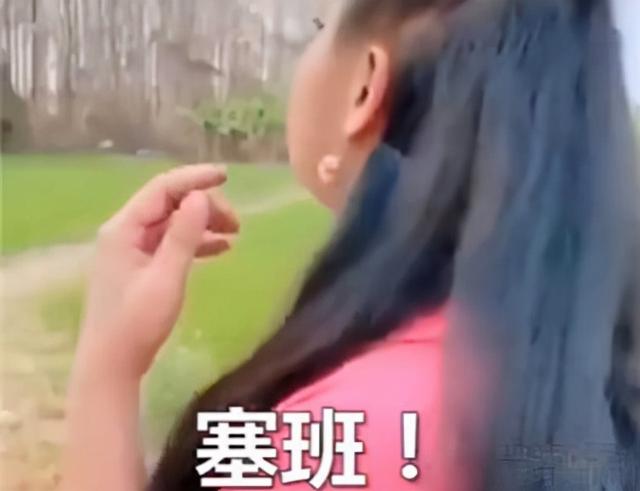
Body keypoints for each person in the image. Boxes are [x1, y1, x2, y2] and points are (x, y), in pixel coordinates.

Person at [61, 0, 640, 490]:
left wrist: (103, 370)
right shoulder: (587, 379)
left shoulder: (340, 441)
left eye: (319, 28)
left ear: (366, 86)